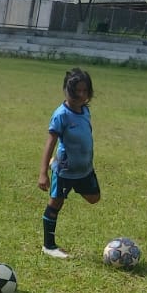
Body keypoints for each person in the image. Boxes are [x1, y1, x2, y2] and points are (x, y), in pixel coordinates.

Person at [38, 67, 99, 258]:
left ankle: (65, 174)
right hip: (65, 170)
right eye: (76, 91)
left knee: (94, 198)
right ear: (67, 91)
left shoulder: (85, 110)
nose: (81, 95)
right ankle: (49, 246)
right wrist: (43, 173)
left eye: (85, 91)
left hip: (84, 168)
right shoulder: (61, 115)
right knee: (56, 203)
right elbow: (50, 143)